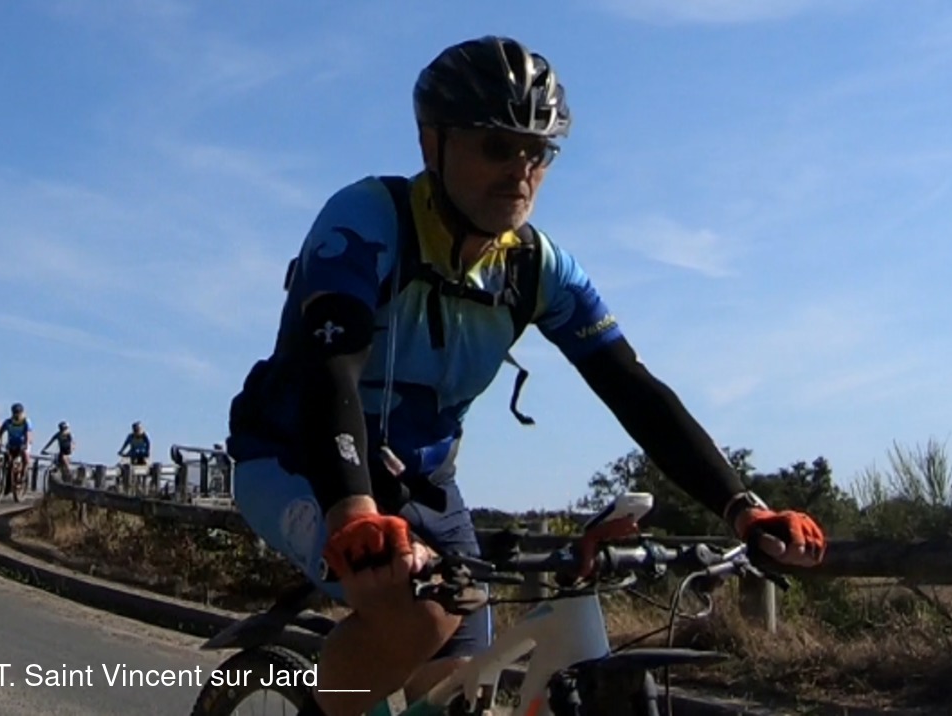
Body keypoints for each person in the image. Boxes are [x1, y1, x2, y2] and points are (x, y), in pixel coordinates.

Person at [225, 35, 827, 716]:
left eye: (537, 152)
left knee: (458, 694)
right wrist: (353, 511)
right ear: (431, 144)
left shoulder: (538, 268)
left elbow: (633, 389)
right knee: (422, 615)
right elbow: (330, 368)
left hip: (423, 484)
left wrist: (743, 507)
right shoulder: (368, 220)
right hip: (298, 461)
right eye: (495, 146)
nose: (520, 171)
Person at [0, 403, 33, 485]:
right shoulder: (8, 422)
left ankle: (23, 476)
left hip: (23, 443)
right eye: (15, 412)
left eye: (19, 413)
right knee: (8, 460)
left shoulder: (26, 421)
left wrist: (26, 444)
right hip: (12, 443)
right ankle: (8, 480)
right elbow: (0, 432)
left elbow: (28, 434)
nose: (17, 414)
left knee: (25, 457)